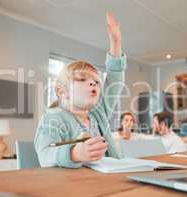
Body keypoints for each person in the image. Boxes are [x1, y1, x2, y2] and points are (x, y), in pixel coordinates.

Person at [34, 12, 127, 168]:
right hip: (74, 187)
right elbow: (45, 155)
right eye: (83, 80)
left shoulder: (99, 113)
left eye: (96, 82)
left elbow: (114, 82)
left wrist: (116, 43)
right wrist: (75, 153)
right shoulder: (52, 119)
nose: (93, 84)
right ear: (62, 91)